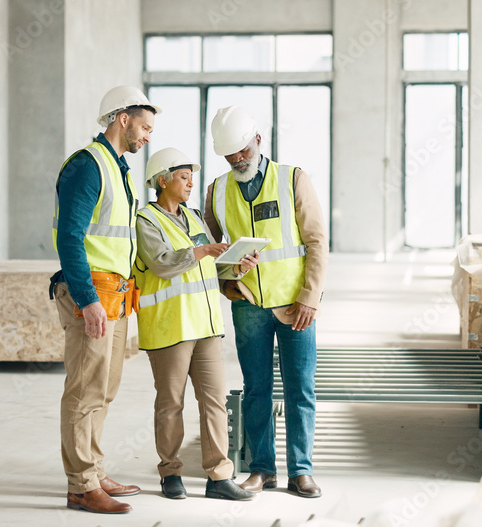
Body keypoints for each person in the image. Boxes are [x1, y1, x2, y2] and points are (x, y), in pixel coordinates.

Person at [203, 105, 328, 498]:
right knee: (256, 389)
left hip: (295, 306)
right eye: (230, 155)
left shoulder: (293, 179)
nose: (238, 160)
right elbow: (212, 252)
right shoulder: (217, 191)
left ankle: (301, 470)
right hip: (248, 307)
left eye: (242, 150)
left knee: (300, 389)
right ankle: (262, 469)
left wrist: (310, 297)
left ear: (258, 141)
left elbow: (316, 242)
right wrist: (229, 281)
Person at [50, 85, 160, 514]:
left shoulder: (118, 169)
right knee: (83, 390)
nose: (147, 136)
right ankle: (80, 486)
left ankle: (92, 470)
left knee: (104, 388)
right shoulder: (87, 166)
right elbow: (71, 239)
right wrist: (87, 299)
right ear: (122, 118)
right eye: (145, 127)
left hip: (114, 295)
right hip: (90, 295)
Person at [134, 148, 259, 501]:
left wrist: (237, 266)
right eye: (183, 177)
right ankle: (170, 472)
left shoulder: (193, 217)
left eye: (192, 178)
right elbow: (161, 264)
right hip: (170, 328)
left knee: (214, 401)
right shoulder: (146, 220)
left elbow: (212, 267)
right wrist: (202, 252)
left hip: (205, 327)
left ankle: (219, 476)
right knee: (171, 404)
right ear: (162, 180)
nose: (190, 184)